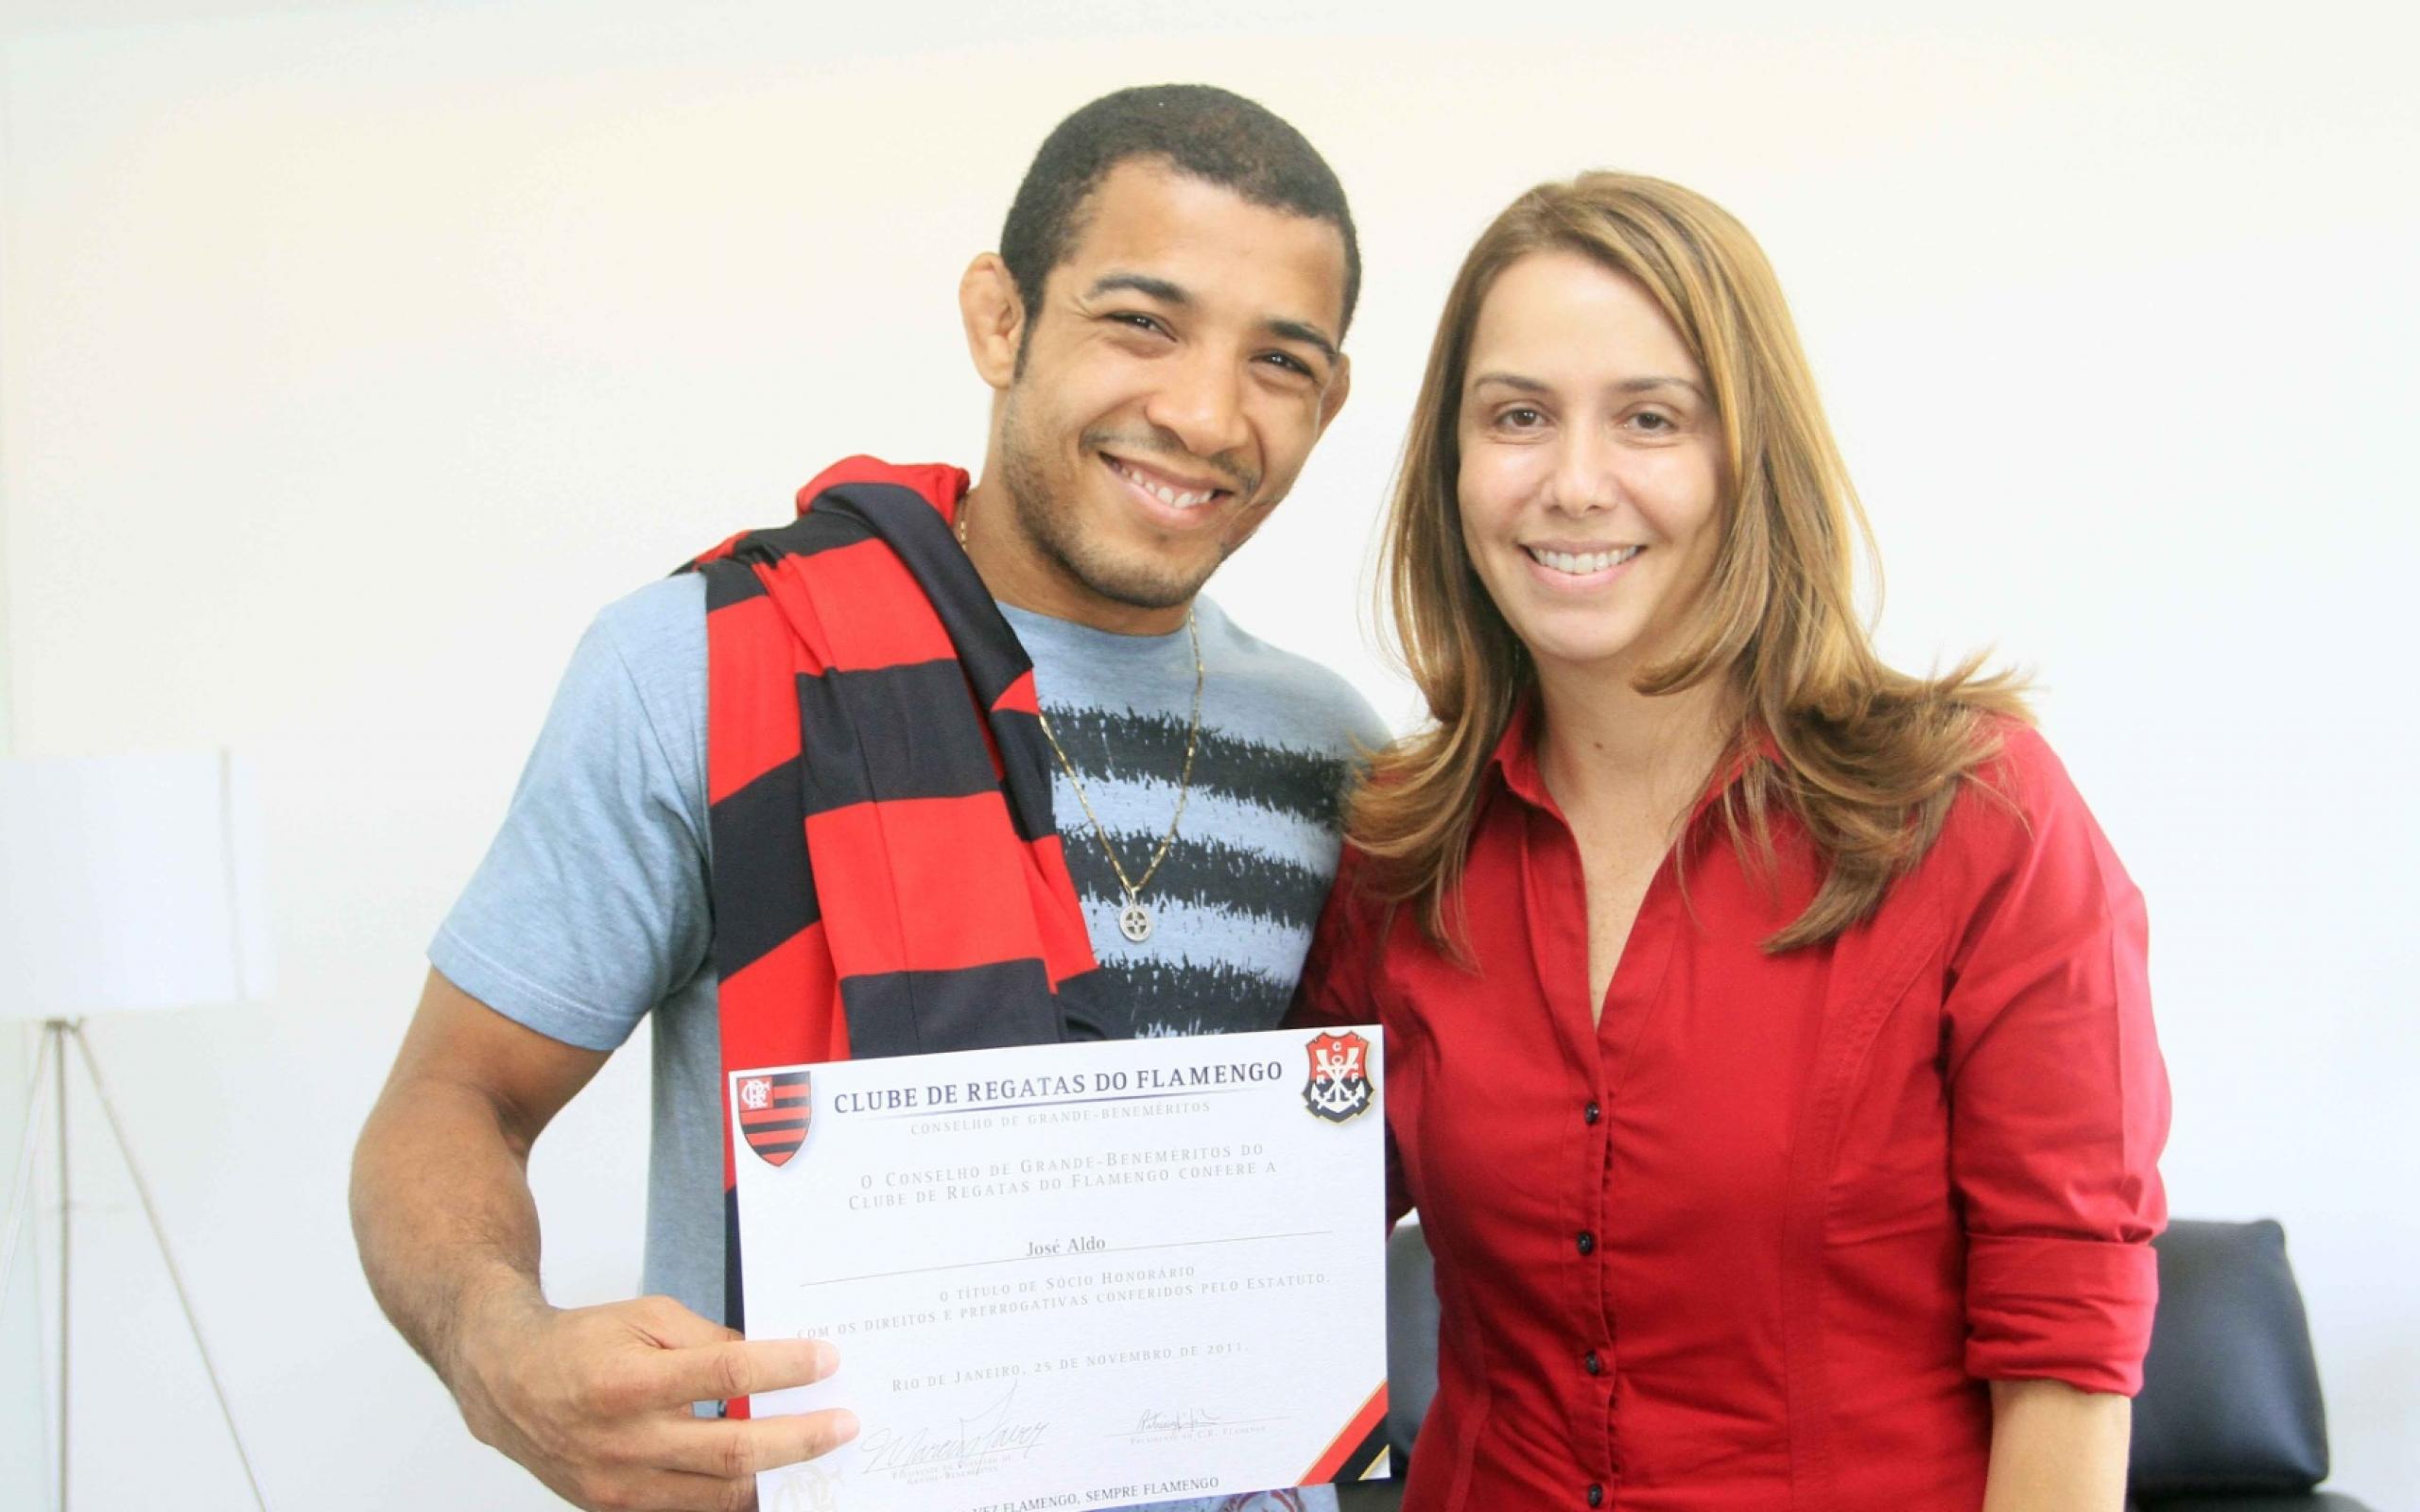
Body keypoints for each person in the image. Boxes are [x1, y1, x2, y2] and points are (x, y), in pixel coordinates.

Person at [350, 84, 1385, 1512]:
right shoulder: (711, 668)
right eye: (1143, 322)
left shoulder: (1344, 754)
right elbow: (456, 1096)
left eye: (1278, 361)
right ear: (1000, 320)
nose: (1205, 413)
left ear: (1329, 402)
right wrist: (495, 1345)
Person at [1289, 172, 2169, 1511]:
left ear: (1750, 458)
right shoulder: (1404, 847)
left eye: (1650, 418)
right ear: (1452, 464)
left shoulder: (1979, 814)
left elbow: (2066, 1350)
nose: (1573, 484)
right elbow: (1258, 1234)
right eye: (1518, 416)